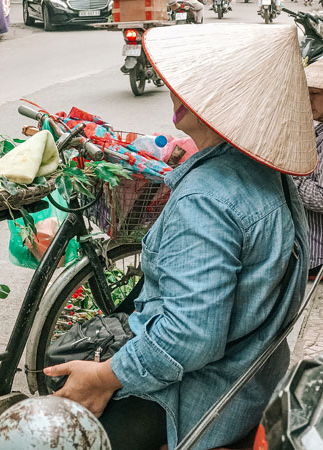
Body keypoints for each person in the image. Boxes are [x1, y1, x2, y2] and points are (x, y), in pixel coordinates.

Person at [44, 23, 315, 450]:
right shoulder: (264, 174)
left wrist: (102, 378)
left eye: (194, 87)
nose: (176, 91)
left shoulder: (206, 199)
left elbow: (190, 334)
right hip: (247, 385)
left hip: (195, 406)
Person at [297, 60, 323, 278]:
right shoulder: (319, 129)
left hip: (318, 256)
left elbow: (322, 199)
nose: (309, 99)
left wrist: (294, 175)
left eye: (315, 93)